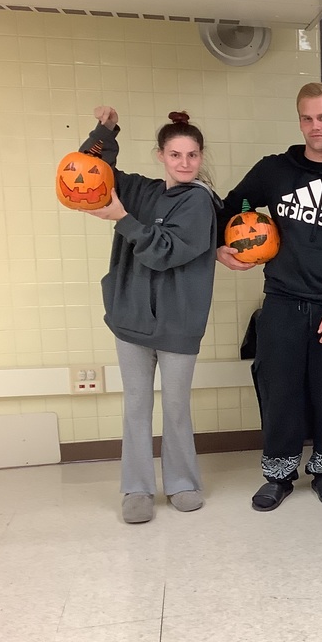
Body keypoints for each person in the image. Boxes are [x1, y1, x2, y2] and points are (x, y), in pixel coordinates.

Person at [217, 82, 322, 512]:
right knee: (279, 391)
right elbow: (231, 208)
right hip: (283, 303)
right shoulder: (275, 171)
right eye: (307, 118)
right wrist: (222, 246)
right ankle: (279, 474)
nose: (315, 126)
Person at [79, 106, 220, 524]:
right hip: (131, 319)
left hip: (178, 323)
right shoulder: (139, 190)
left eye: (192, 155)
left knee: (176, 406)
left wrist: (122, 219)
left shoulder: (200, 203)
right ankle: (136, 488)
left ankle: (182, 482)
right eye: (175, 155)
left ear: (200, 157)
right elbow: (88, 168)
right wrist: (105, 130)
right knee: (136, 405)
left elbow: (165, 251)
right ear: (160, 155)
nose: (184, 163)